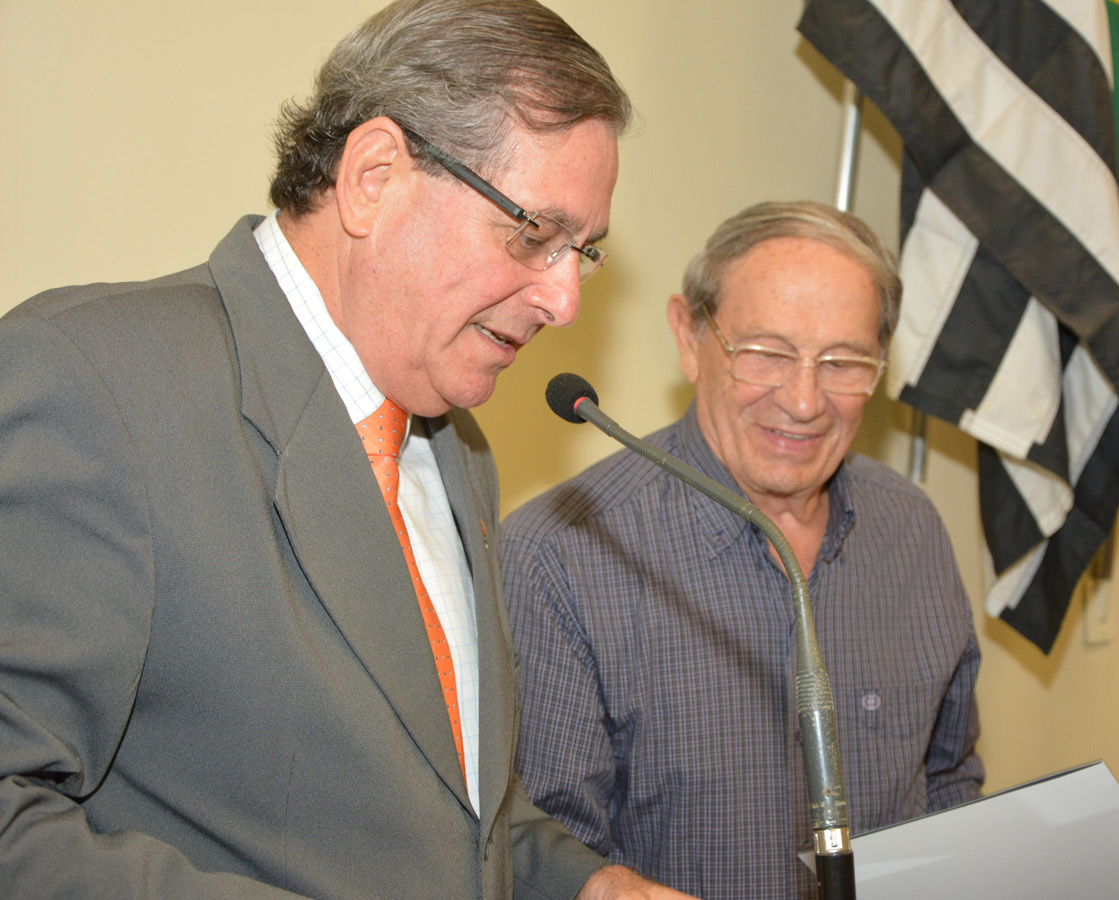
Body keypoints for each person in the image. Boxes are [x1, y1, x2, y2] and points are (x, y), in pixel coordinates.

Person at [0, 2, 695, 898]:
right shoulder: (96, 382)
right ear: (373, 177)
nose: (564, 302)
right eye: (534, 235)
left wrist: (583, 885)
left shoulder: (456, 446)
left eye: (581, 252)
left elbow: (451, 813)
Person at [501, 200, 984, 899]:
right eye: (766, 353)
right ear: (689, 336)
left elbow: (949, 784)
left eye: (843, 362)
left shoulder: (911, 528)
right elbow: (539, 859)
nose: (804, 401)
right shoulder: (559, 556)